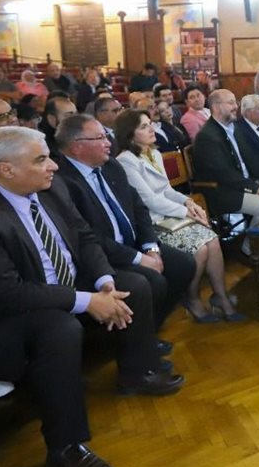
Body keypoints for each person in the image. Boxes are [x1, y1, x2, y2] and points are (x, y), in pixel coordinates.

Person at [0, 126, 183, 467]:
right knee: (60, 329)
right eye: (41, 159)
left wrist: (104, 281)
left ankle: (137, 372)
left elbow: (84, 237)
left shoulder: (50, 188)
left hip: (60, 285)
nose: (54, 165)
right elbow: (7, 293)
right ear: (7, 170)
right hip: (3, 317)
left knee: (132, 284)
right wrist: (87, 301)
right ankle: (65, 449)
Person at [52, 115, 195, 328]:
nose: (109, 143)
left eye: (106, 136)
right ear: (77, 147)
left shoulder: (110, 165)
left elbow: (138, 206)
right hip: (103, 256)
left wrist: (151, 248)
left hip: (133, 244)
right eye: (100, 138)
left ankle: (151, 327)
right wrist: (138, 258)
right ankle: (139, 335)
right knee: (150, 281)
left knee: (184, 264)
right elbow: (89, 237)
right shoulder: (62, 183)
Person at [113, 109, 242, 323]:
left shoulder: (153, 153)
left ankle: (221, 296)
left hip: (169, 214)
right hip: (152, 222)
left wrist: (188, 202)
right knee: (200, 249)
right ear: (130, 134)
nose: (152, 129)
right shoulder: (126, 161)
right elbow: (149, 200)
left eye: (150, 124)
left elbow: (166, 190)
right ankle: (192, 298)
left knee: (212, 240)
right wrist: (186, 211)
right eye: (144, 127)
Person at [190, 89, 259, 228]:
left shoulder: (234, 128)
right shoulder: (207, 136)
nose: (236, 106)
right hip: (224, 191)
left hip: (247, 183)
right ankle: (252, 241)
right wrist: (258, 190)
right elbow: (225, 174)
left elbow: (252, 159)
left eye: (236, 102)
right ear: (216, 107)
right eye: (230, 103)